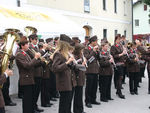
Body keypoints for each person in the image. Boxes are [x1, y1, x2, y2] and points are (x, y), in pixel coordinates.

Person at [16, 37, 41, 113]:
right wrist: (35, 58)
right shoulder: (19, 54)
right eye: (26, 44)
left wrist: (41, 61)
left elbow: (33, 65)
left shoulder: (25, 53)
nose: (28, 46)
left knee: (30, 99)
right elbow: (27, 66)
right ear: (22, 46)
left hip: (30, 78)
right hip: (25, 79)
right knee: (27, 100)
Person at [52, 34, 75, 113]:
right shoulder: (58, 53)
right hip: (63, 82)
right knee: (64, 104)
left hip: (69, 81)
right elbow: (55, 68)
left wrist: (73, 63)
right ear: (65, 44)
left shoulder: (65, 53)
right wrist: (68, 62)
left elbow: (68, 67)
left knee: (68, 103)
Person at [27, 34, 44, 112]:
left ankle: (35, 105)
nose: (36, 41)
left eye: (37, 39)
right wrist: (43, 50)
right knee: (34, 92)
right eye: (35, 40)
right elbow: (35, 57)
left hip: (39, 72)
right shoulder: (29, 48)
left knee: (37, 91)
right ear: (31, 39)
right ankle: (32, 107)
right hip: (34, 72)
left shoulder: (35, 47)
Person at [84, 35, 100, 108]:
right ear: (92, 42)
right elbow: (88, 59)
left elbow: (98, 58)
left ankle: (93, 99)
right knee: (89, 87)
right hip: (89, 70)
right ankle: (88, 101)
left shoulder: (96, 48)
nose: (97, 42)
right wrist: (93, 51)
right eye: (96, 41)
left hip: (95, 69)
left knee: (94, 86)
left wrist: (98, 52)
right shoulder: (87, 48)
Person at [110, 34, 126, 99]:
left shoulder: (121, 46)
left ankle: (118, 91)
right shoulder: (113, 46)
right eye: (118, 39)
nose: (119, 41)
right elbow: (113, 56)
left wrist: (125, 53)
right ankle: (119, 92)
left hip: (122, 63)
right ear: (115, 40)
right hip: (117, 64)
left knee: (120, 78)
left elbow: (123, 55)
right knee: (119, 77)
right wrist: (121, 54)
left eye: (120, 39)